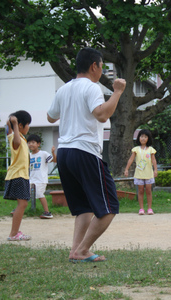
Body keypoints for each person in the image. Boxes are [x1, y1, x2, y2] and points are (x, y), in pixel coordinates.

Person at [47, 47, 126, 263]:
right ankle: (83, 249)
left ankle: (76, 251)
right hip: (85, 151)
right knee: (109, 206)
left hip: (64, 153)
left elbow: (50, 117)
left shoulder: (64, 89)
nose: (102, 71)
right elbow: (101, 115)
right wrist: (117, 91)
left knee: (84, 207)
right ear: (94, 66)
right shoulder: (92, 88)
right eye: (102, 67)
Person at [4, 110, 32, 241]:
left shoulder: (21, 138)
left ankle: (15, 232)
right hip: (18, 176)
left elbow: (9, 130)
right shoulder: (16, 139)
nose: (29, 127)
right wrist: (14, 124)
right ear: (20, 126)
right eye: (28, 124)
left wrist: (11, 123)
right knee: (23, 204)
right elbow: (15, 140)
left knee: (23, 204)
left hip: (21, 176)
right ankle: (13, 234)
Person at [124, 129, 158, 215]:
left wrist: (155, 170)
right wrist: (126, 169)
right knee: (140, 190)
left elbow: (153, 160)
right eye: (141, 136)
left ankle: (149, 208)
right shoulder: (135, 149)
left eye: (145, 137)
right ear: (139, 137)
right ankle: (141, 209)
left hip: (149, 174)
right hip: (139, 174)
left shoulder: (151, 149)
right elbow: (131, 159)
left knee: (149, 191)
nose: (143, 138)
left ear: (148, 139)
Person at [27, 134, 57, 219]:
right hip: (32, 179)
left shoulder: (43, 154)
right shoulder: (29, 155)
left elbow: (54, 160)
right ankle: (21, 210)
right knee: (26, 194)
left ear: (38, 144)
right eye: (29, 143)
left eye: (33, 142)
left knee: (40, 194)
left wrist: (53, 153)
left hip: (41, 179)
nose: (31, 144)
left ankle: (47, 212)